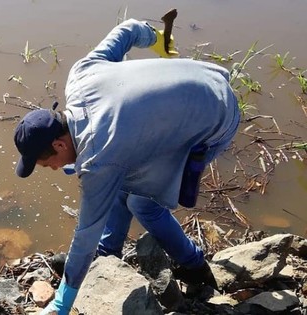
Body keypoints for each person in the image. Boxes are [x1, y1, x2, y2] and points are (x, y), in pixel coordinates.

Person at [13, 18, 240, 314]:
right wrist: (158, 40)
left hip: (217, 118)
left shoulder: (99, 158)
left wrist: (62, 302)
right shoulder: (80, 76)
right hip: (210, 77)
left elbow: (85, 235)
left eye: (48, 164)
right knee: (123, 180)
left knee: (143, 205)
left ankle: (195, 267)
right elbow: (129, 28)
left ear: (58, 144)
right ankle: (109, 254)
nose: (54, 169)